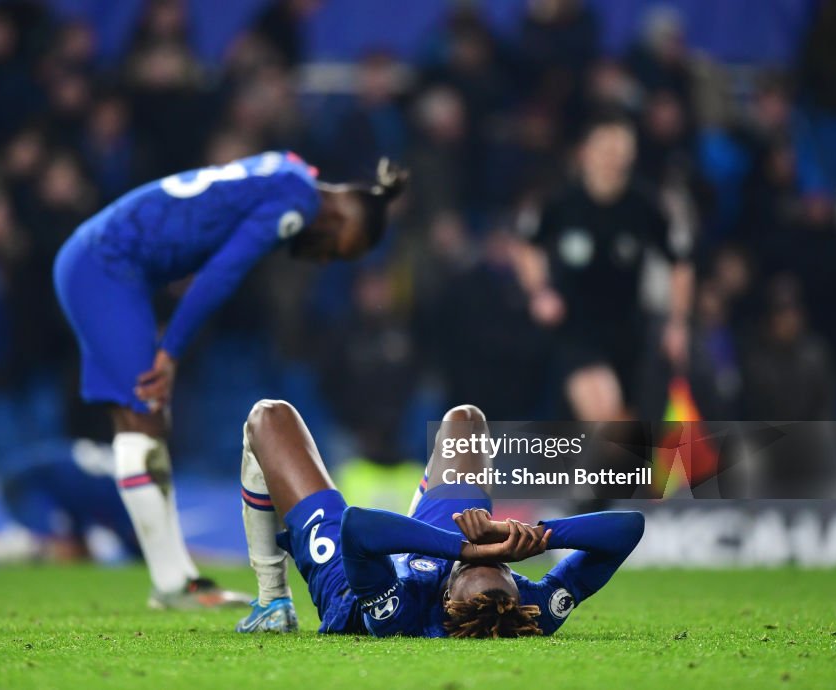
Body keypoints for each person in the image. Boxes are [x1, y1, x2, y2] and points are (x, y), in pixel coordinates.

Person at [53, 151, 407, 609]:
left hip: (109, 262)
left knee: (143, 418)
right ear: (341, 216)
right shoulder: (297, 202)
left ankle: (175, 579)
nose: (324, 259)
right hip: (108, 265)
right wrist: (172, 351)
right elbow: (223, 272)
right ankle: (172, 583)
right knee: (145, 411)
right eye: (338, 248)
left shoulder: (292, 171)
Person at [235, 399, 644, 637]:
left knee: (268, 417)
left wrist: (462, 547)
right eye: (500, 562)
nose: (488, 554)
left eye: (469, 564)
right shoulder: (531, 610)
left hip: (349, 575)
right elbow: (629, 527)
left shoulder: (397, 614)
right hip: (438, 537)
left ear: (447, 593)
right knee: (466, 420)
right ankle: (429, 512)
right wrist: (528, 536)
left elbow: (358, 528)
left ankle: (273, 602)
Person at [516, 112, 693, 421]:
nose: (613, 159)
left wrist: (677, 323)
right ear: (586, 152)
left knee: (624, 420)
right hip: (576, 328)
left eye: (620, 150)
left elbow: (680, 261)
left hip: (628, 330)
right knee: (601, 408)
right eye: (605, 149)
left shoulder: (646, 205)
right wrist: (539, 292)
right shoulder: (561, 201)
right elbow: (526, 246)